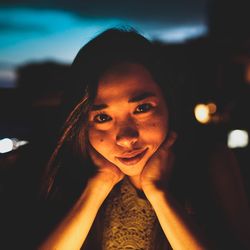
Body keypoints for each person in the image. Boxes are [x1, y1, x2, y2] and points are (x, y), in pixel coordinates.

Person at [37, 28, 250, 250]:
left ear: (169, 103)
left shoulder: (211, 162)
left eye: (142, 108)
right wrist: (98, 186)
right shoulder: (64, 175)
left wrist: (158, 194)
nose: (126, 138)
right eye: (102, 117)